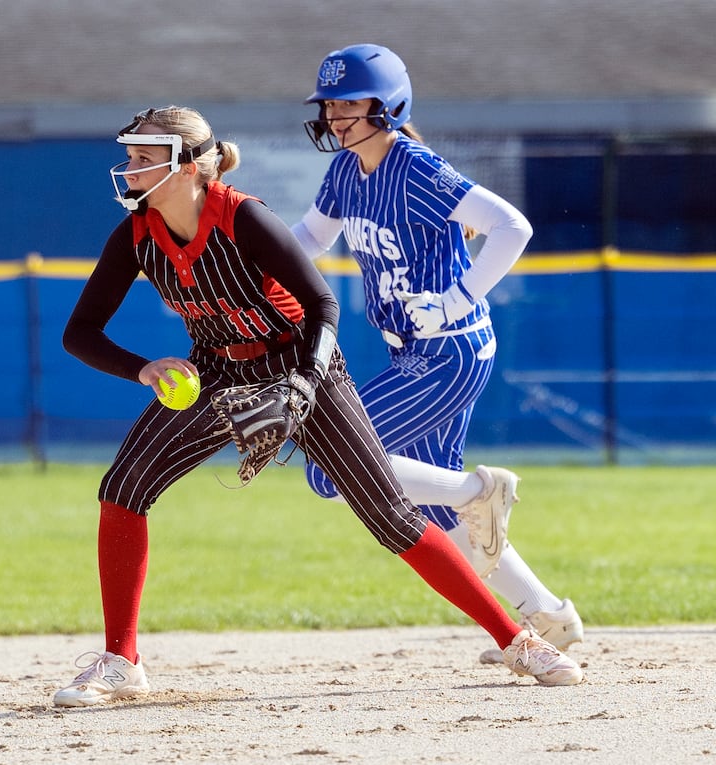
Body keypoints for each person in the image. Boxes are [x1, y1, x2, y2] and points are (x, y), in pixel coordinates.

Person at [54, 104, 582, 707]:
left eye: (145, 158)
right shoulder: (136, 235)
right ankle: (122, 660)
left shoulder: (243, 217)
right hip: (219, 369)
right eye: (130, 157)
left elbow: (323, 307)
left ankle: (519, 641)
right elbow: (81, 334)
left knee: (392, 516)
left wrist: (302, 385)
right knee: (123, 488)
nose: (130, 168)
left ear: (193, 166)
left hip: (306, 366)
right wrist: (143, 367)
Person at [291, 44, 583, 665]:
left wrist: (458, 297)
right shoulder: (346, 171)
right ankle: (549, 615)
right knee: (426, 500)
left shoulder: (415, 166)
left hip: (451, 349)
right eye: (330, 103)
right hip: (411, 355)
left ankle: (481, 488)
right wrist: (255, 270)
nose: (336, 115)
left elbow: (513, 227)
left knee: (331, 465)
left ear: (388, 104)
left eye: (350, 101)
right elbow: (312, 237)